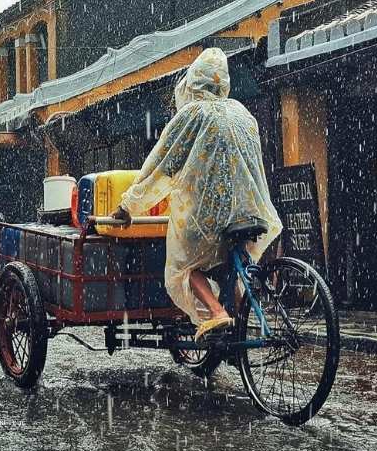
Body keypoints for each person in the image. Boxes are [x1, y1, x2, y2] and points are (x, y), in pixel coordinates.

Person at [111, 48, 282, 340]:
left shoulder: (193, 113)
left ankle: (218, 313)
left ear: (193, 82)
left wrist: (129, 206)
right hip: (250, 208)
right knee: (235, 261)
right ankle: (239, 322)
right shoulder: (242, 112)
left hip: (208, 214)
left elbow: (161, 165)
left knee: (185, 266)